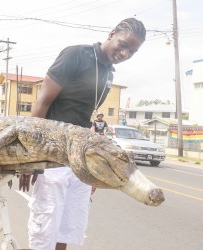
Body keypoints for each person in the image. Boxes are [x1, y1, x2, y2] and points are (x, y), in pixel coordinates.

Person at [20, 17, 146, 250]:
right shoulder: (75, 55)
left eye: (133, 51)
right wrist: (30, 158)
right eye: (124, 44)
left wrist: (91, 169)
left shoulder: (109, 72)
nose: (126, 53)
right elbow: (41, 104)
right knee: (45, 226)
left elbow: (83, 117)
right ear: (112, 33)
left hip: (78, 157)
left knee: (69, 226)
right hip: (52, 152)